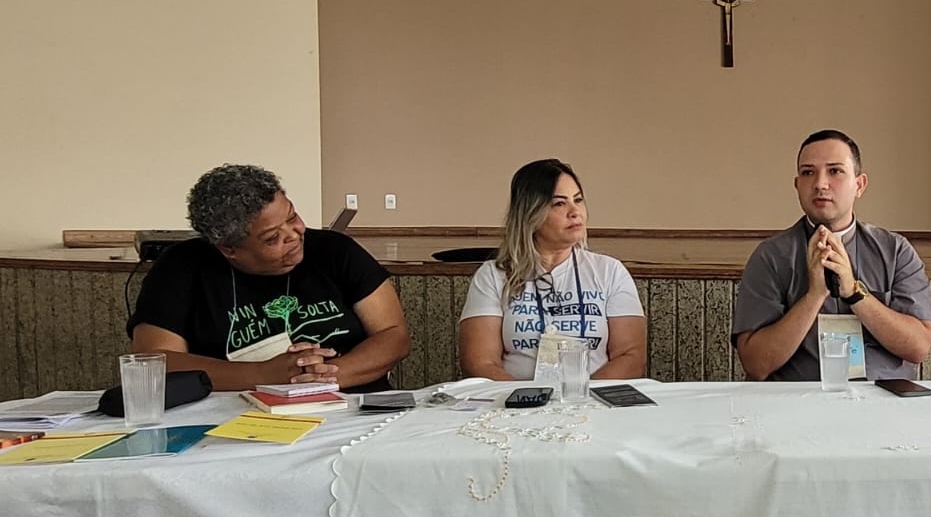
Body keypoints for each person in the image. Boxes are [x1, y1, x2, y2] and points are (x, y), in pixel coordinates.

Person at [129, 164, 411, 392]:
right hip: (235, 417)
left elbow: (393, 335)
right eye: (272, 237)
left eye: (292, 217)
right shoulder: (182, 267)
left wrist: (322, 376)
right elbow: (156, 363)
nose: (294, 235)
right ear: (228, 248)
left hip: (351, 404)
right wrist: (262, 375)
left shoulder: (336, 251)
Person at [734, 130, 931, 381]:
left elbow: (919, 348)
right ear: (797, 186)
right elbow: (755, 364)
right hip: (798, 397)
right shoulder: (771, 256)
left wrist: (854, 293)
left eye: (835, 171)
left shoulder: (895, 251)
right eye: (808, 172)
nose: (820, 184)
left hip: (881, 396)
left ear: (859, 185)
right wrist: (813, 297)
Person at [459, 159, 646, 380]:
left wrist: (579, 395)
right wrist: (529, 397)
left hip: (592, 398)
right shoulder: (493, 275)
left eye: (578, 200)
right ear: (530, 213)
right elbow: (480, 363)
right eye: (559, 204)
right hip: (514, 399)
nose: (575, 212)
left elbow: (630, 357)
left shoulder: (609, 271)